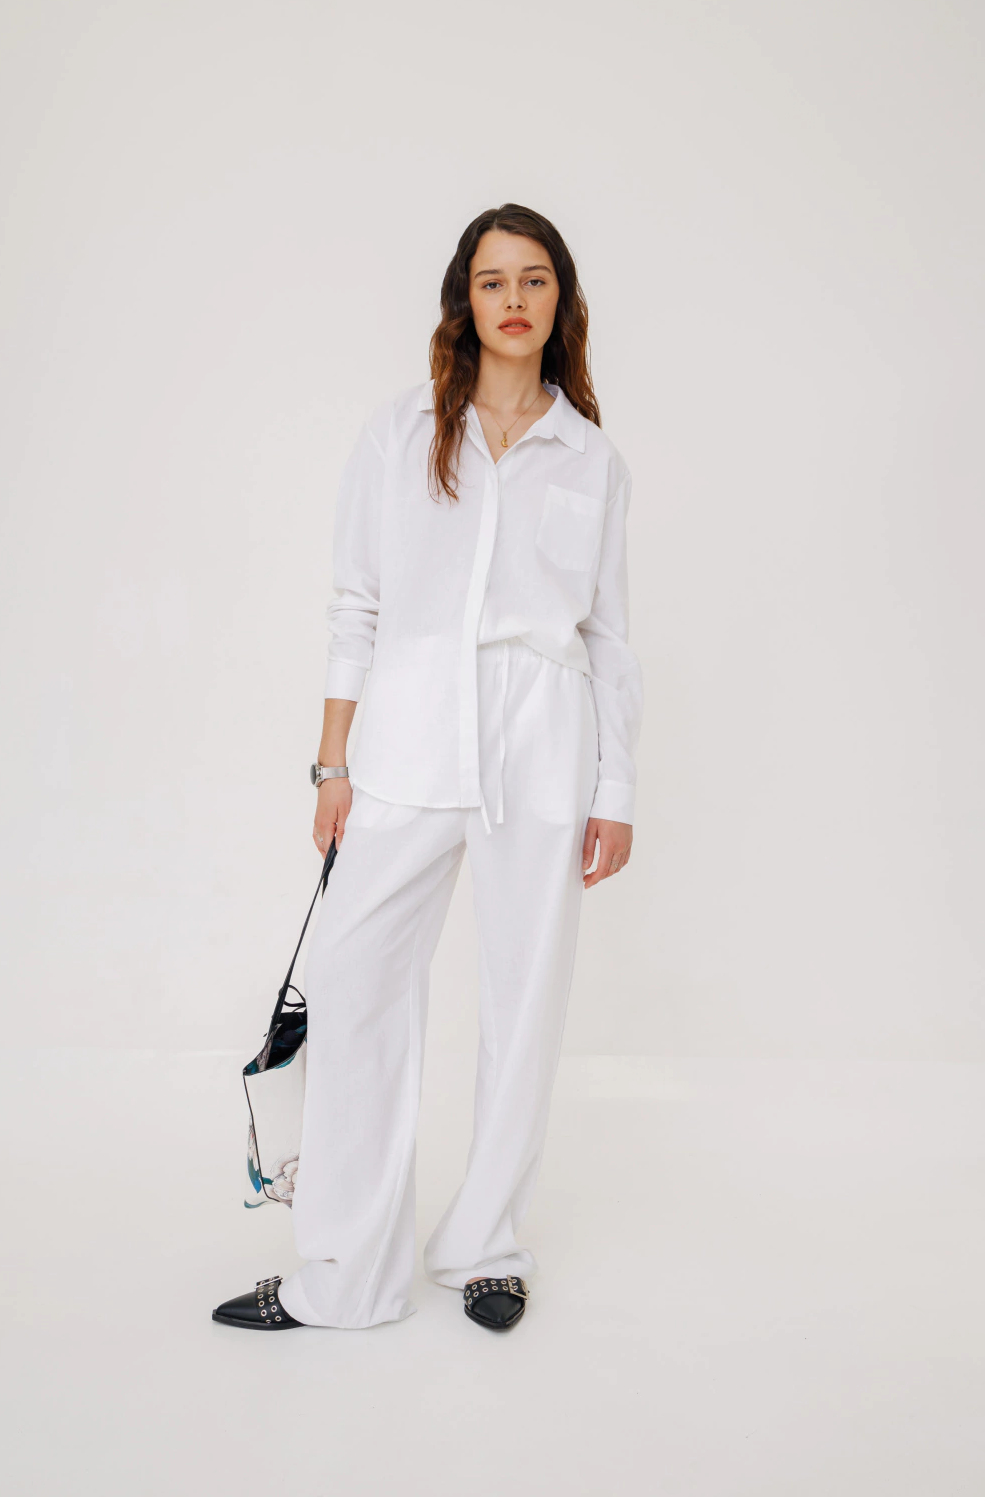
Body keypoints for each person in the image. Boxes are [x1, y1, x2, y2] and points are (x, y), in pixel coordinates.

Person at [213, 203, 643, 1335]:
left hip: (541, 747)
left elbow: (608, 638)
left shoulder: (592, 459)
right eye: (494, 280)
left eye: (535, 279)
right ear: (465, 298)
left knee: (524, 1002)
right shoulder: (399, 431)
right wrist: (332, 766)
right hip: (406, 740)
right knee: (354, 985)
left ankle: (484, 1247)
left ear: (560, 300)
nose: (515, 299)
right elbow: (355, 604)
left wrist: (615, 791)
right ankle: (346, 1273)